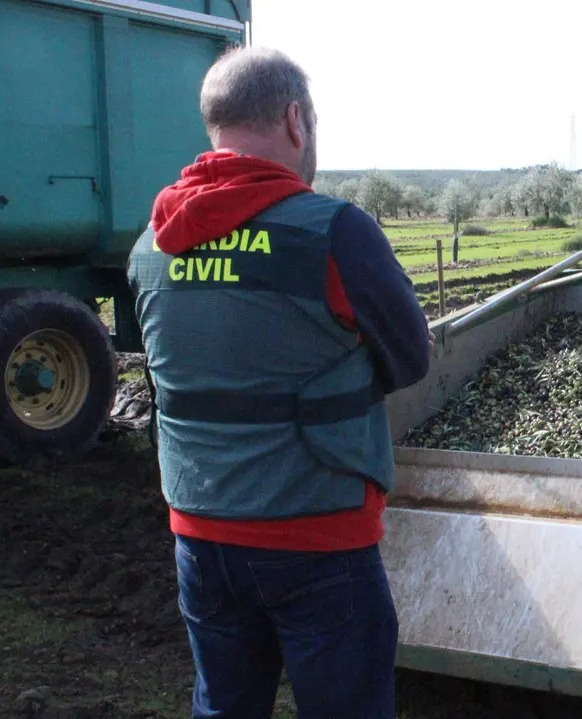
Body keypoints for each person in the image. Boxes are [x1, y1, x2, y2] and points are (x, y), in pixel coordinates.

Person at [125, 46, 431, 718]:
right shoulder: (333, 233)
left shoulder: (152, 244)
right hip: (317, 538)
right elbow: (411, 359)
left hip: (201, 537)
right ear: (296, 120)